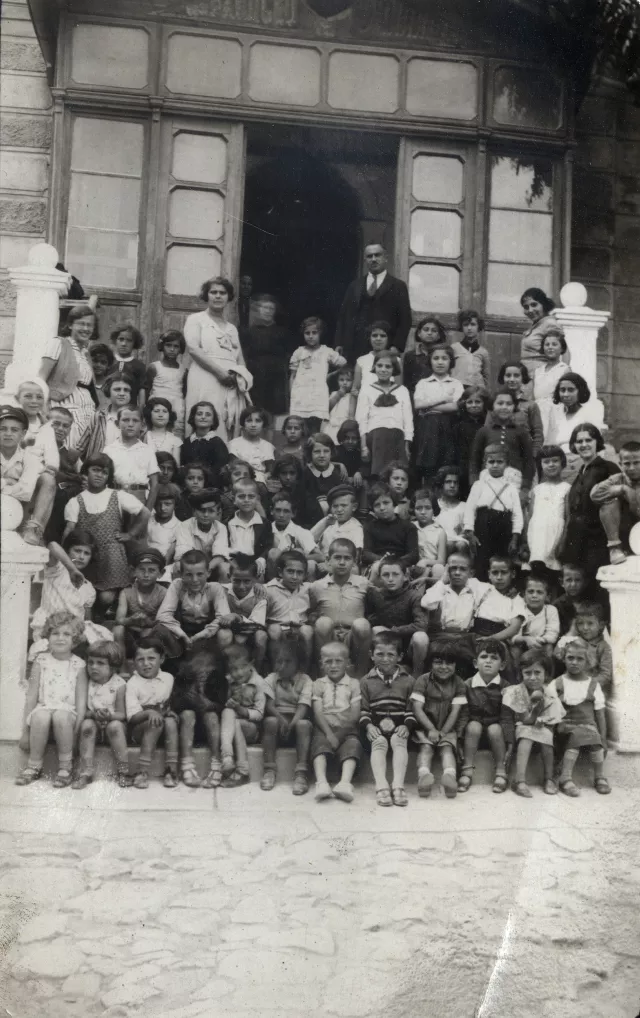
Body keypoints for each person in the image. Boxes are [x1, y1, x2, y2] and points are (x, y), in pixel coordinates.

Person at [63, 454, 150, 617]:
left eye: (104, 472)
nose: (99, 475)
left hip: (112, 556)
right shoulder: (76, 501)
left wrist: (130, 534)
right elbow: (69, 531)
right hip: (88, 558)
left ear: (109, 476)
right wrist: (65, 558)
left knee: (105, 597)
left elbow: (144, 513)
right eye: (95, 470)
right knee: (84, 592)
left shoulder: (117, 496)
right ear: (85, 473)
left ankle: (107, 611)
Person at [16, 612, 87, 788]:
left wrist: (76, 734)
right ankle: (34, 766)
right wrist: (25, 731)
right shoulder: (41, 661)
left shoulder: (79, 665)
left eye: (67, 634)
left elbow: (80, 702)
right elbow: (31, 695)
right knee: (40, 716)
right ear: (47, 636)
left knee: (61, 716)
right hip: (44, 707)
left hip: (67, 712)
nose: (60, 638)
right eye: (55, 633)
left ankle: (65, 767)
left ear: (75, 639)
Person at [184, 276, 250, 442]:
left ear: (229, 297)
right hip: (205, 374)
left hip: (230, 380)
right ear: (207, 296)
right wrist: (219, 373)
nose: (218, 296)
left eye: (223, 293)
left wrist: (239, 376)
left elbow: (240, 358)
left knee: (226, 417)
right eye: (213, 292)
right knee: (205, 414)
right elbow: (193, 349)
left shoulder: (231, 328)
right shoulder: (196, 319)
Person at [359, 631, 416, 807]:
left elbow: (411, 710)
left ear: (400, 656)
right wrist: (369, 727)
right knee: (379, 742)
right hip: (375, 727)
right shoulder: (366, 681)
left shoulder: (408, 680)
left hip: (400, 727)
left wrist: (406, 726)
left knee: (400, 741)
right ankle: (381, 785)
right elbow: (364, 711)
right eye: (380, 654)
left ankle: (398, 786)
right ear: (371, 655)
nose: (385, 659)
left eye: (391, 654)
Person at [549, 638, 611, 797]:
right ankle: (565, 778)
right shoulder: (557, 683)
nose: (574, 662)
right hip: (565, 726)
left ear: (588, 661)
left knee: (594, 740)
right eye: (570, 658)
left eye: (579, 659)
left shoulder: (593, 685)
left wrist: (603, 738)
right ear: (564, 658)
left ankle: (599, 777)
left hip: (589, 727)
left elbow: (599, 713)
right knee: (578, 735)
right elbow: (549, 711)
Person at [501, 649, 565, 797]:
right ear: (521, 674)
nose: (532, 677)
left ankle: (549, 778)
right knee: (527, 735)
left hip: (541, 728)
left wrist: (545, 725)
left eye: (537, 673)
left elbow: (552, 719)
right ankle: (520, 780)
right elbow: (526, 720)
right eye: (527, 673)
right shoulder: (516, 692)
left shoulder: (549, 693)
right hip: (522, 727)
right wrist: (538, 708)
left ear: (546, 675)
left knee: (547, 737)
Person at [558, 423, 619, 579]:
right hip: (577, 543)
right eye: (579, 441)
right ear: (573, 445)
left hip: (598, 544)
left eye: (588, 440)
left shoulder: (609, 468)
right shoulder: (579, 475)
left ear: (597, 442)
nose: (584, 445)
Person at [335, 243, 412, 363]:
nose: (374, 259)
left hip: (385, 347)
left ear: (386, 258)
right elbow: (344, 316)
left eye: (377, 255)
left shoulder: (398, 286)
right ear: (365, 260)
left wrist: (397, 347)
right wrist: (339, 343)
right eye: (369, 256)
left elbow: (405, 319)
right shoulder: (354, 285)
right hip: (355, 348)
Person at [411, 642, 468, 798]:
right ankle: (423, 777)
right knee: (426, 748)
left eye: (449, 663)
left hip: (447, 728)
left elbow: (455, 711)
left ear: (456, 665)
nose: (444, 667)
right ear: (430, 664)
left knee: (447, 749)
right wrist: (431, 729)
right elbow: (417, 708)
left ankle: (449, 777)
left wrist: (443, 731)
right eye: (438, 662)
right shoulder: (423, 681)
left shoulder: (459, 683)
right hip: (425, 726)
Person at [309, 538, 372, 677]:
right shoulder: (317, 586)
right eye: (337, 557)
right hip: (328, 636)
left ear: (355, 561)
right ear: (328, 559)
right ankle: (323, 675)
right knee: (322, 622)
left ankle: (360, 675)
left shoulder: (364, 584)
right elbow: (311, 610)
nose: (342, 562)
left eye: (347, 558)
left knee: (362, 624)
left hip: (353, 637)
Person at [73, 641, 131, 789]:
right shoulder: (87, 682)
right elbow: (83, 710)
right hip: (94, 725)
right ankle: (86, 772)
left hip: (113, 725)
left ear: (112, 667)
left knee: (115, 726)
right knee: (86, 725)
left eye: (100, 663)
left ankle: (123, 771)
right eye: (90, 662)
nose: (93, 667)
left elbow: (122, 714)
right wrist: (93, 714)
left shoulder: (119, 685)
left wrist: (108, 716)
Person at [154, 550, 232, 661]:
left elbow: (223, 617)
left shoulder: (215, 588)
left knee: (225, 633)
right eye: (189, 575)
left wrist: (200, 635)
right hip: (181, 633)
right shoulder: (177, 585)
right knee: (159, 629)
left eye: (200, 574)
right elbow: (162, 615)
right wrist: (183, 635)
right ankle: (172, 665)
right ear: (181, 574)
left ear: (208, 573)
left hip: (206, 634)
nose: (195, 580)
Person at [261, 633, 313, 794]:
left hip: (296, 724)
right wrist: (282, 720)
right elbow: (269, 705)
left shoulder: (305, 680)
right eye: (279, 661)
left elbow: (303, 708)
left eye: (288, 662)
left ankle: (301, 772)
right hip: (277, 724)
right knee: (270, 722)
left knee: (304, 725)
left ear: (299, 665)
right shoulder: (271, 678)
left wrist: (291, 724)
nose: (281, 666)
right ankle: (269, 769)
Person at [39, 303, 98, 448]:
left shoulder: (85, 353)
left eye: (89, 325)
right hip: (64, 407)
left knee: (81, 454)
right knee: (65, 448)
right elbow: (41, 378)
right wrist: (44, 409)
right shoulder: (59, 344)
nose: (86, 329)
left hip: (86, 410)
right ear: (70, 325)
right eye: (81, 324)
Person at [311, 642, 363, 803]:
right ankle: (321, 782)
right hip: (324, 727)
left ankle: (345, 783)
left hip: (346, 728)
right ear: (321, 664)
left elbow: (355, 714)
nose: (333, 665)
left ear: (347, 663)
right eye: (328, 661)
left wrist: (339, 735)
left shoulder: (353, 683)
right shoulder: (318, 684)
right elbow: (317, 711)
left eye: (338, 661)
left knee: (353, 745)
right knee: (319, 745)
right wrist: (328, 733)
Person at [457, 640, 511, 794]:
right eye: (484, 656)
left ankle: (501, 770)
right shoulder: (466, 685)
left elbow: (507, 717)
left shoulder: (506, 687)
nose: (488, 661)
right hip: (472, 735)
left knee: (495, 728)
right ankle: (466, 770)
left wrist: (510, 742)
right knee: (473, 725)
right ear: (475, 663)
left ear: (502, 665)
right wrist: (459, 739)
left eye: (494, 658)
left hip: (496, 735)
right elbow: (463, 714)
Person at [464, 444, 523, 581]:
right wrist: (470, 532)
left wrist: (515, 538)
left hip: (504, 527)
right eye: (491, 462)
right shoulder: (479, 485)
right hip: (484, 526)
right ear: (485, 464)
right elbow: (470, 509)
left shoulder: (511, 488)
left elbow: (517, 514)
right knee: (482, 561)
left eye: (499, 462)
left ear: (506, 464)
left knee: (503, 561)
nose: (495, 465)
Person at [126, 636, 179, 789]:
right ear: (134, 662)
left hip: (165, 730)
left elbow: (172, 704)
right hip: (141, 730)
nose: (146, 664)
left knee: (169, 721)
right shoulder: (133, 684)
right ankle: (142, 772)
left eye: (151, 658)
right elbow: (133, 717)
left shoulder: (168, 679)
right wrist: (150, 712)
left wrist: (169, 712)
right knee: (155, 722)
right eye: (140, 660)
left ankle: (171, 770)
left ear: (161, 659)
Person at [171, 650, 228, 788]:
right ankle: (187, 765)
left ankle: (216, 765)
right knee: (188, 714)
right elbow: (175, 704)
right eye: (198, 666)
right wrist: (188, 696)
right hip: (188, 730)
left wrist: (207, 702)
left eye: (207, 667)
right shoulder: (183, 680)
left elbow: (222, 705)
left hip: (210, 731)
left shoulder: (219, 680)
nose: (202, 670)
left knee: (211, 715)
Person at [31, 529, 98, 644]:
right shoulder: (57, 569)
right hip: (48, 630)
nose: (81, 557)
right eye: (77, 551)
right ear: (67, 551)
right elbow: (52, 545)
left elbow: (87, 620)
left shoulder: (89, 588)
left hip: (72, 635)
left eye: (86, 553)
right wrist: (72, 569)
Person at [366, 558, 429, 677]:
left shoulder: (414, 596)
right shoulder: (375, 595)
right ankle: (379, 673)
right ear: (379, 578)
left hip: (408, 646)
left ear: (405, 576)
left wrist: (394, 631)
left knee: (421, 637)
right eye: (386, 575)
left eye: (395, 574)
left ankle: (416, 677)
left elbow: (421, 625)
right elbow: (369, 618)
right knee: (376, 630)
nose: (390, 579)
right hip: (387, 644)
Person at [356, 352, 413, 477]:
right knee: (379, 474)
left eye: (388, 367)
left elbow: (408, 418)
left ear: (394, 369)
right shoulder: (367, 389)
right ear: (374, 367)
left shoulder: (402, 390)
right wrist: (364, 445)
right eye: (380, 366)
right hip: (376, 437)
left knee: (397, 473)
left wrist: (407, 445)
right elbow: (362, 418)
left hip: (398, 437)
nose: (383, 370)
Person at [413, 345, 464, 484]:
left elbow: (454, 406)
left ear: (451, 362)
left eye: (444, 358)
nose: (440, 362)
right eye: (436, 358)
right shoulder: (423, 383)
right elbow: (418, 405)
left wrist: (429, 406)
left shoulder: (456, 383)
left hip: (448, 426)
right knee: (428, 464)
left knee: (446, 462)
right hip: (428, 428)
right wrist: (442, 399)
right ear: (430, 361)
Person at [470, 388, 535, 496]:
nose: (504, 407)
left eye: (509, 404)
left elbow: (528, 461)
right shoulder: (484, 431)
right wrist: (474, 484)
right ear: (492, 406)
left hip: (514, 483)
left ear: (514, 407)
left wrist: (525, 488)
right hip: (488, 483)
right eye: (500, 403)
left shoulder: (521, 432)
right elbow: (474, 461)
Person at [220, 643, 267, 787]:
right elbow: (225, 706)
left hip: (252, 729)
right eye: (233, 669)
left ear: (251, 665)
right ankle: (228, 757)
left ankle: (242, 769)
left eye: (242, 667)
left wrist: (241, 710)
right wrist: (230, 700)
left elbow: (259, 714)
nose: (238, 673)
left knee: (235, 721)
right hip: (232, 727)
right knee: (227, 712)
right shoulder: (229, 681)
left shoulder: (259, 683)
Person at [289, 316, 347, 433]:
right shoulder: (299, 352)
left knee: (316, 428)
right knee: (300, 427)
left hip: (318, 397)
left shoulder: (326, 351)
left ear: (320, 333)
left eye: (314, 333)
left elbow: (343, 363)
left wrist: (330, 375)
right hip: (300, 397)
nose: (310, 336)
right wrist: (293, 394)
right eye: (307, 333)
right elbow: (293, 376)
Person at [242, 294, 294, 419]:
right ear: (259, 310)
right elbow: (244, 354)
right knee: (255, 409)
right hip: (255, 373)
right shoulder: (250, 331)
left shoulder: (281, 331)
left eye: (271, 308)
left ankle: (269, 438)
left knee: (272, 412)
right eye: (265, 308)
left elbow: (288, 355)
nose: (268, 311)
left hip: (275, 376)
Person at [546, 373, 604, 481]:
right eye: (562, 390)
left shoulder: (588, 414)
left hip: (581, 462)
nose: (566, 394)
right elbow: (549, 442)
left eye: (571, 390)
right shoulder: (555, 412)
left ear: (580, 391)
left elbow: (596, 445)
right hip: (557, 463)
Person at [590, 440, 640, 565]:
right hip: (627, 529)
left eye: (637, 463)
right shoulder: (618, 479)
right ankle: (615, 548)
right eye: (627, 464)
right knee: (610, 500)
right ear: (620, 464)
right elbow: (594, 495)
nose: (632, 468)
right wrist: (622, 489)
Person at [0, 404, 44, 545]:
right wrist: (8, 482)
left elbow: (25, 492)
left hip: (18, 511)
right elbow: (18, 489)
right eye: (2, 429)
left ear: (23, 434)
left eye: (14, 430)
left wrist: (2, 484)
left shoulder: (30, 459)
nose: (8, 433)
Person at [113, 548, 167, 661]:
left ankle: (146, 665)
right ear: (133, 571)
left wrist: (149, 622)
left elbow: (164, 620)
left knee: (147, 632)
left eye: (152, 570)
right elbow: (119, 619)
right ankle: (123, 667)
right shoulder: (126, 593)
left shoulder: (163, 593)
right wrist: (131, 620)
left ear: (161, 573)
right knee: (118, 630)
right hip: (131, 631)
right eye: (141, 570)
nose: (146, 574)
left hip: (152, 632)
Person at [265, 549, 314, 670]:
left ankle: (304, 670)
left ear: (305, 575)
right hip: (277, 626)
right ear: (280, 572)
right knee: (275, 630)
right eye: (290, 572)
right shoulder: (268, 589)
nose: (295, 577)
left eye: (299, 573)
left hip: (299, 627)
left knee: (307, 630)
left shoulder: (307, 589)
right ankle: (275, 669)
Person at [526, 446, 571, 574]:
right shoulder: (537, 490)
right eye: (546, 462)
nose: (551, 465)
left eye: (555, 461)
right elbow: (530, 517)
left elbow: (568, 517)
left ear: (562, 462)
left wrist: (563, 541)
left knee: (553, 569)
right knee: (536, 568)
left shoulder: (566, 488)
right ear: (540, 465)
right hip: (536, 536)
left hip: (555, 536)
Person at [104, 406, 160, 509]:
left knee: (136, 525)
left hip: (139, 497)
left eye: (135, 420)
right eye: (125, 420)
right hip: (114, 497)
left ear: (142, 425)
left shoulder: (147, 450)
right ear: (117, 424)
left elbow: (154, 484)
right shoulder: (109, 450)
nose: (130, 424)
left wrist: (147, 510)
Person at [221, 553, 268, 670]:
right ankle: (225, 670)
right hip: (228, 631)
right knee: (224, 634)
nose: (242, 586)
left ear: (256, 579)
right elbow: (221, 618)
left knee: (261, 636)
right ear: (228, 576)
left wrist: (237, 617)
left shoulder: (260, 596)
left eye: (247, 581)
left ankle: (256, 670)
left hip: (250, 634)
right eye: (236, 581)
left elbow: (258, 624)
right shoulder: (222, 591)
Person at [174, 488, 229, 580]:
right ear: (194, 511)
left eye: (211, 511)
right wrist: (198, 573)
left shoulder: (221, 528)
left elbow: (220, 557)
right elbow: (184, 555)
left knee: (225, 567)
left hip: (211, 569)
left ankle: (221, 593)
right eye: (202, 510)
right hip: (190, 568)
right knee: (178, 566)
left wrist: (205, 571)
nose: (206, 515)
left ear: (218, 513)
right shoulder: (185, 526)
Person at [348, 320, 400, 417]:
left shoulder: (396, 360)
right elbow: (354, 391)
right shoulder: (362, 360)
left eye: (383, 336)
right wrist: (351, 417)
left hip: (388, 411)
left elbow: (399, 391)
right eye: (374, 335)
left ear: (389, 338)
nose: (378, 339)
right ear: (369, 338)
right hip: (364, 410)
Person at [80, 374, 135, 460]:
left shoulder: (136, 420)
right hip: (99, 467)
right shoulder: (98, 417)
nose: (122, 393)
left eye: (126, 390)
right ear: (108, 391)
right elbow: (81, 446)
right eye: (117, 389)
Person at [494, 362, 544, 456]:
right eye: (508, 375)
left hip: (524, 455)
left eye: (516, 375)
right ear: (503, 377)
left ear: (523, 378)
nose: (512, 379)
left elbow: (537, 435)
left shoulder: (531, 405)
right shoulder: (495, 403)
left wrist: (533, 456)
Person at [227, 478, 273, 579]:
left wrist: (261, 558)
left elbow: (268, 545)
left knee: (259, 576)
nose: (246, 500)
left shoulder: (264, 523)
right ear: (234, 499)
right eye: (241, 496)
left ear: (257, 499)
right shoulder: (228, 523)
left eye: (251, 496)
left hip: (254, 562)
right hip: (234, 562)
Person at [145, 330, 187, 438]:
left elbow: (184, 393)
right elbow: (145, 391)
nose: (172, 349)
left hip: (177, 408)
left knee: (175, 437)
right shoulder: (154, 367)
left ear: (180, 348)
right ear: (162, 346)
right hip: (158, 407)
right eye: (168, 345)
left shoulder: (183, 370)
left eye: (176, 346)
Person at [511, 573, 561, 661]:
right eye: (530, 591)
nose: (534, 595)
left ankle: (547, 673)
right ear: (524, 595)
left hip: (541, 644)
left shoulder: (550, 610)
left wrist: (539, 640)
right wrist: (526, 639)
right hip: (523, 644)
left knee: (549, 648)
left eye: (540, 592)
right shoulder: (519, 609)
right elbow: (513, 635)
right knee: (515, 650)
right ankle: (516, 674)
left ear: (547, 596)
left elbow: (553, 633)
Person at [519, 288, 565, 383]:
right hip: (528, 377)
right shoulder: (537, 325)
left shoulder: (549, 324)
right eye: (526, 307)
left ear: (543, 304)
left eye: (534, 305)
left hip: (540, 378)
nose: (530, 310)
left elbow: (564, 351)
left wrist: (563, 378)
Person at [180, 401, 229, 487]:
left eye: (208, 414)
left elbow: (220, 470)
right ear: (193, 417)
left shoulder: (217, 443)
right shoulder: (187, 442)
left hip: (211, 487)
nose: (203, 417)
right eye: (199, 414)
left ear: (213, 421)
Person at [311, 484, 363, 565]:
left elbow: (356, 556)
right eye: (335, 506)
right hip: (321, 563)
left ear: (354, 507)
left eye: (344, 505)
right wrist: (325, 523)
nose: (339, 510)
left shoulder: (356, 527)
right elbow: (308, 541)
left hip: (342, 565)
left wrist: (329, 566)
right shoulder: (328, 522)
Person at [453, 387, 491, 497]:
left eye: (478, 402)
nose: (474, 405)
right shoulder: (458, 427)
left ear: (485, 403)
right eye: (470, 402)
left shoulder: (488, 425)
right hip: (464, 470)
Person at [533, 328, 570, 440]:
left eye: (554, 344)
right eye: (547, 344)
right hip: (538, 411)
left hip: (554, 412)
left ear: (562, 348)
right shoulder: (538, 371)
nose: (550, 347)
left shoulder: (564, 369)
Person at [228, 407, 275, 486]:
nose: (253, 425)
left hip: (262, 484)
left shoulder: (268, 446)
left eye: (258, 421)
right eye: (249, 421)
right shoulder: (233, 445)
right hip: (240, 484)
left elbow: (270, 471)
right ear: (243, 423)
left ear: (263, 424)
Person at [402, 316, 447, 397]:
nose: (429, 333)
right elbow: (407, 383)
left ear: (439, 335)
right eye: (426, 329)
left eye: (434, 330)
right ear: (419, 333)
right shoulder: (410, 356)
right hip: (416, 397)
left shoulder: (444, 355)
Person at [303, 434, 347, 517]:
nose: (322, 455)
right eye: (317, 451)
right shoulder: (306, 473)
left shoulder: (336, 472)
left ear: (331, 453)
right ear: (310, 453)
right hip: (311, 516)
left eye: (326, 451)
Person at [411, 489, 447, 580]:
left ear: (434, 509)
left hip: (432, 568)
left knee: (439, 568)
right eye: (418, 508)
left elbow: (441, 561)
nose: (423, 512)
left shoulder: (439, 531)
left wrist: (425, 562)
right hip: (413, 568)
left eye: (427, 508)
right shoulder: (410, 527)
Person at [451, 310, 491, 390]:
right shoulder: (454, 348)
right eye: (465, 325)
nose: (469, 328)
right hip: (458, 389)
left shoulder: (483, 352)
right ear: (461, 327)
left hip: (476, 390)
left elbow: (486, 376)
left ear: (478, 326)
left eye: (473, 324)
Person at [146, 483, 181, 576]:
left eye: (167, 504)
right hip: (144, 562)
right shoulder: (147, 521)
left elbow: (169, 556)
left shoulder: (179, 526)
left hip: (164, 567)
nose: (162, 508)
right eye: (158, 504)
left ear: (175, 504)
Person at [108, 324, 146, 406]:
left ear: (134, 343)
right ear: (115, 341)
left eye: (129, 340)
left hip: (130, 410)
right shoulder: (108, 362)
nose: (124, 344)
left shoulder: (139, 366)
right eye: (121, 339)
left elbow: (141, 391)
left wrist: (140, 410)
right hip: (109, 408)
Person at [324, 367, 354, 444]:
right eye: (341, 380)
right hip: (331, 427)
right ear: (337, 381)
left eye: (348, 380)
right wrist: (339, 395)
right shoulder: (334, 394)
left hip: (344, 428)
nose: (344, 383)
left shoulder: (352, 397)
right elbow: (327, 408)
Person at [89, 342, 115, 408]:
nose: (98, 365)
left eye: (103, 362)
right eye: (95, 361)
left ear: (108, 365)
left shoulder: (111, 384)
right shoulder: (85, 382)